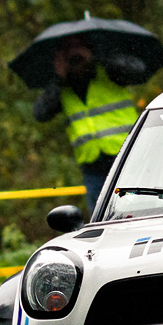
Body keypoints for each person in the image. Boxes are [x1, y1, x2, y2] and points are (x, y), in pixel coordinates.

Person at [32, 37, 143, 212]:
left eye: (78, 48)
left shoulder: (110, 72)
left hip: (127, 158)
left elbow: (138, 71)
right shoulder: (62, 87)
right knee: (102, 220)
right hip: (93, 169)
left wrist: (98, 58)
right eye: (69, 50)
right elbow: (40, 113)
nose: (74, 54)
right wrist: (59, 78)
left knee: (139, 211)